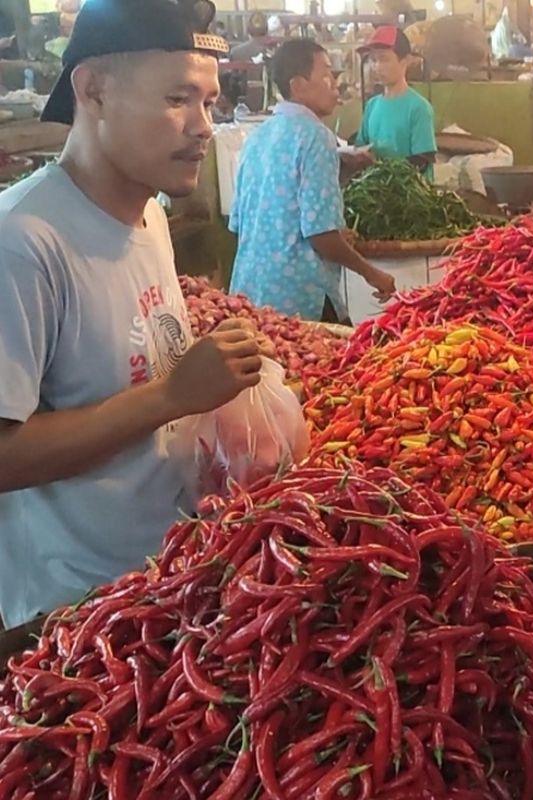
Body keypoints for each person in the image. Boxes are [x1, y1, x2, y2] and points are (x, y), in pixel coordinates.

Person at [0, 0, 269, 628]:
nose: (205, 125)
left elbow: (137, 359)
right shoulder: (24, 242)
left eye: (209, 100)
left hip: (165, 583)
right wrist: (172, 395)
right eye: (179, 99)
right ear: (92, 91)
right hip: (72, 621)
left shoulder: (149, 212)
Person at [229, 39, 395, 322]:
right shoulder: (316, 136)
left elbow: (241, 222)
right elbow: (321, 236)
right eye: (327, 74)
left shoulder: (257, 136)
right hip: (299, 301)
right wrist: (373, 274)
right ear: (298, 85)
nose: (335, 83)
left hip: (249, 296)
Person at [357, 27, 437, 173]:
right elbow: (360, 146)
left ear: (405, 61)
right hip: (375, 190)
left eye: (384, 59)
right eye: (373, 60)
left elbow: (423, 159)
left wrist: (386, 173)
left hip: (410, 192)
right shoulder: (372, 106)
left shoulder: (418, 108)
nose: (377, 67)